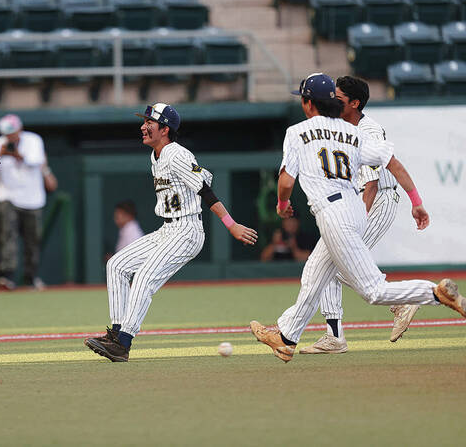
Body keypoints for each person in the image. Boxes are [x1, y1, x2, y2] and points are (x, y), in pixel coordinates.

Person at [249, 73, 466, 363]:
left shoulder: (298, 132)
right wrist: (416, 202)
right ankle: (287, 338)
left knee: (373, 290)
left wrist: (281, 204)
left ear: (308, 102)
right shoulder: (352, 132)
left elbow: (286, 181)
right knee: (315, 273)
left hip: (333, 213)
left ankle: (435, 293)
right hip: (354, 207)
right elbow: (393, 162)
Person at [84, 103, 258, 362]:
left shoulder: (176, 153)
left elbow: (205, 190)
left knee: (143, 278)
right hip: (168, 228)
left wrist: (230, 224)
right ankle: (116, 333)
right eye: (144, 122)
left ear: (165, 129)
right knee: (117, 265)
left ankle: (123, 343)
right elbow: (203, 177)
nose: (143, 126)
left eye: (149, 122)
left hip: (187, 230)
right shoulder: (156, 155)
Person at [300, 76, 420, 355]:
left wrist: (358, 219)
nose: (332, 101)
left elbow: (373, 183)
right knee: (328, 264)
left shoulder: (369, 129)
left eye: (339, 98)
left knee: (341, 264)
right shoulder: (338, 126)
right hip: (353, 202)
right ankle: (333, 335)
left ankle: (401, 300)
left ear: (355, 103)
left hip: (377, 201)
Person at [0, 113, 47, 291]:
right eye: (7, 135)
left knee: (32, 239)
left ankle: (30, 277)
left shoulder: (33, 140)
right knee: (7, 235)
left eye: (13, 133)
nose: (10, 138)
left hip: (33, 198)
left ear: (20, 129)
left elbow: (37, 161)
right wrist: (0, 156)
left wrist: (19, 155)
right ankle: (7, 276)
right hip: (7, 195)